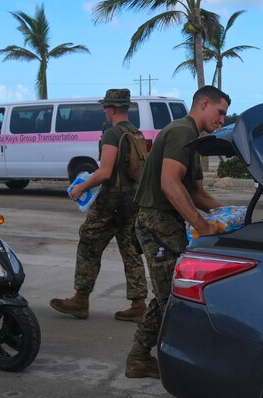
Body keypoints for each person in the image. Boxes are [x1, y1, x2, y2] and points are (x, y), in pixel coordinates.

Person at [125, 85, 230, 378]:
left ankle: (141, 357)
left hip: (168, 224)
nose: (222, 120)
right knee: (170, 297)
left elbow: (197, 194)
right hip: (156, 222)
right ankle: (142, 358)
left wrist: (232, 214)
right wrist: (203, 225)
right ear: (204, 103)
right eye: (220, 112)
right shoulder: (181, 131)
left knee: (170, 295)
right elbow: (169, 184)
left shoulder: (193, 140)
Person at [50, 88, 148, 322]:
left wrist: (81, 188)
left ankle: (80, 299)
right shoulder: (136, 133)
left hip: (110, 200)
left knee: (88, 244)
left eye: (106, 107)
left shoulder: (113, 134)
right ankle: (138, 304)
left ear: (112, 109)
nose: (104, 110)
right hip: (132, 200)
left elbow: (104, 172)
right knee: (130, 249)